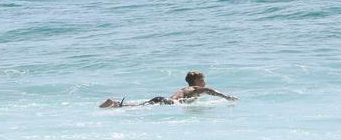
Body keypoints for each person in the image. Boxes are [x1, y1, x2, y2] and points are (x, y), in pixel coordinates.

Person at [99, 71, 237, 108]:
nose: (204, 82)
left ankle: (114, 103)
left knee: (138, 106)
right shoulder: (194, 88)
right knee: (138, 106)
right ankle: (115, 104)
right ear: (195, 81)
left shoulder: (185, 88)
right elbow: (210, 90)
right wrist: (226, 97)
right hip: (169, 102)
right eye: (202, 80)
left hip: (164, 99)